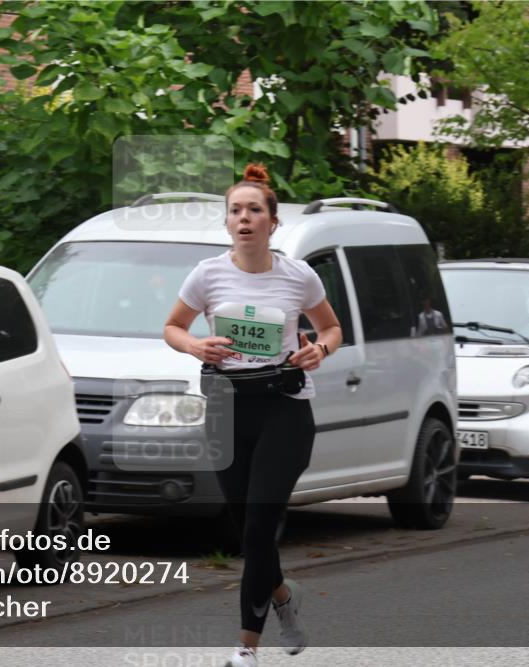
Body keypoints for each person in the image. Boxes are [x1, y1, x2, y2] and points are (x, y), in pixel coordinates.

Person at [164, 164, 342, 667]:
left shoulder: (297, 275)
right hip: (226, 406)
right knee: (248, 531)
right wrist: (196, 344)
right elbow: (172, 328)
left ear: (272, 222)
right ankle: (282, 597)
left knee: (261, 526)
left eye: (254, 210)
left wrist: (318, 351)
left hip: (284, 408)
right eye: (236, 211)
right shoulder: (207, 274)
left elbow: (331, 329)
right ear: (227, 224)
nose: (245, 218)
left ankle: (246, 648)